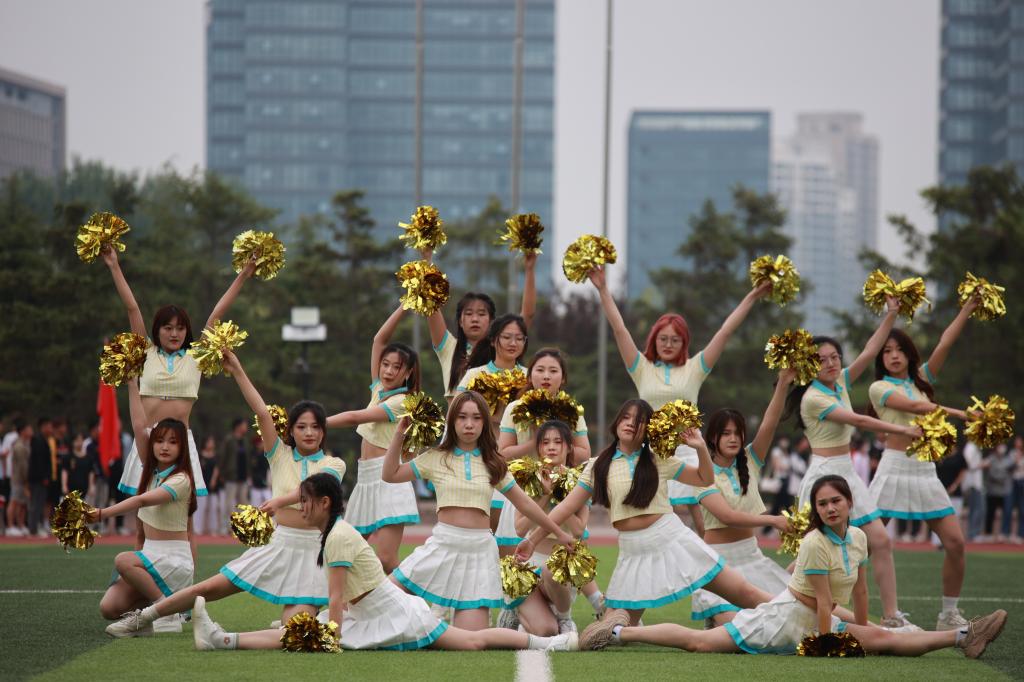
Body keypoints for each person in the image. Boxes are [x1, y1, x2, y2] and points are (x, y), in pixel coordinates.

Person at [579, 475, 1008, 659]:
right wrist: (828, 643)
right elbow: (820, 602)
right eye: (822, 504)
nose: (830, 508)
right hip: (781, 620)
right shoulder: (815, 543)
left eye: (836, 501)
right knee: (700, 643)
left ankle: (964, 636)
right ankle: (617, 632)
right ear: (816, 511)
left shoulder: (859, 538)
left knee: (883, 639)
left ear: (849, 503)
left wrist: (861, 629)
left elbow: (859, 591)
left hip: (813, 621)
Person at [190, 472, 576, 652]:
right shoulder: (333, 532)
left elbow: (336, 600)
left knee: (473, 642)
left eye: (304, 501)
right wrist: (325, 631)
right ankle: (223, 640)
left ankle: (551, 643)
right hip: (369, 613)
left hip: (395, 614)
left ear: (324, 503)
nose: (299, 508)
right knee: (297, 633)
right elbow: (340, 603)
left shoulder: (338, 537)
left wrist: (329, 638)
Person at [104, 350, 346, 637]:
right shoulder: (279, 454)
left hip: (315, 550)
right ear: (290, 431)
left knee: (294, 629)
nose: (309, 433)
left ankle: (230, 637)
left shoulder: (334, 464)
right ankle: (146, 617)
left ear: (323, 432)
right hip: (280, 543)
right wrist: (238, 371)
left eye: (316, 427)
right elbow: (261, 412)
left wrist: (280, 500)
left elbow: (318, 486)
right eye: (301, 426)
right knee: (210, 587)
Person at [519, 400, 772, 627]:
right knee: (613, 631)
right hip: (632, 551)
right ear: (617, 422)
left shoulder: (658, 459)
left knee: (744, 593)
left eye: (639, 420)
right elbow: (564, 507)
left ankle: (790, 612)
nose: (631, 423)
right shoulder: (598, 465)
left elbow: (704, 478)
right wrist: (532, 540)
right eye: (626, 417)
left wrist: (700, 448)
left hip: (671, 538)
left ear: (648, 429)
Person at [587, 265, 771, 534]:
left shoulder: (695, 368)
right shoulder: (641, 367)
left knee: (702, 523)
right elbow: (620, 330)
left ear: (684, 342)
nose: (668, 344)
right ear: (654, 340)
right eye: (663, 338)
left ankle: (710, 561)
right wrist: (603, 289)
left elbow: (724, 333)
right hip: (651, 455)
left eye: (675, 339)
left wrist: (752, 296)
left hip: (689, 451)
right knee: (657, 520)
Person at [782, 297, 924, 629]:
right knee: (812, 552)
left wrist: (891, 314)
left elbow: (870, 350)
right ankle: (782, 597)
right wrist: (902, 429)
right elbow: (858, 420)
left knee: (880, 540)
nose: (831, 363)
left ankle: (891, 616)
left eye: (835, 357)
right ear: (810, 367)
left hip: (847, 474)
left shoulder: (841, 382)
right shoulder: (813, 397)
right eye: (822, 360)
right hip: (823, 475)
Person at [382, 391, 575, 631]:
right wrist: (399, 435)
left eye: (476, 418)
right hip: (442, 546)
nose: (469, 424)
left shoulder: (493, 462)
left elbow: (525, 504)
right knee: (383, 601)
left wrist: (560, 533)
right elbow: (390, 474)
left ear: (484, 422)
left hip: (479, 553)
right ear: (453, 421)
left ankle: (546, 639)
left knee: (471, 640)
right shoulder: (435, 457)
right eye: (462, 417)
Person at [101, 246, 258, 500]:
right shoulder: (145, 352)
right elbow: (132, 308)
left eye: (180, 328)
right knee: (143, 511)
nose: (174, 334)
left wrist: (244, 274)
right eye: (168, 328)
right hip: (147, 440)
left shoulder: (196, 357)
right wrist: (114, 265)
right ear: (157, 329)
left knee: (184, 513)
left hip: (181, 442)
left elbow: (218, 313)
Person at [865, 317, 978, 629]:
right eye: (887, 351)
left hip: (925, 471)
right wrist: (962, 414)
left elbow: (945, 343)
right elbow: (916, 408)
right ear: (880, 358)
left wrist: (967, 308)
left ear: (909, 353)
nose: (894, 355)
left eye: (900, 349)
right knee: (861, 544)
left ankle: (948, 615)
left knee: (955, 542)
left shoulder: (922, 381)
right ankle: (815, 595)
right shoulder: (879, 387)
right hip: (893, 467)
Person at [689, 368, 806, 627]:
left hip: (752, 556)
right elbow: (727, 517)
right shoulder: (702, 473)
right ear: (713, 438)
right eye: (726, 433)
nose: (733, 438)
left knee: (795, 617)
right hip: (718, 564)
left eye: (737, 432)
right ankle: (716, 617)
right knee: (739, 630)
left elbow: (769, 423)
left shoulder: (751, 460)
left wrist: (783, 383)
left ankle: (872, 628)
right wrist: (774, 520)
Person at [90, 378, 197, 631]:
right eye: (159, 440)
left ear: (182, 448)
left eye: (173, 442)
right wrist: (131, 383)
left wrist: (102, 513)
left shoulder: (182, 479)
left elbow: (141, 500)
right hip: (151, 557)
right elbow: (139, 426)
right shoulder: (151, 471)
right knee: (109, 608)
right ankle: (159, 610)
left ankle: (165, 612)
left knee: (123, 560)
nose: (164, 447)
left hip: (173, 561)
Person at [326, 306, 421, 572]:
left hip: (388, 480)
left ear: (408, 373)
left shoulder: (403, 401)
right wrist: (405, 305)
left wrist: (315, 422)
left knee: (387, 560)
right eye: (385, 364)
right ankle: (346, 601)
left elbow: (355, 417)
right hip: (365, 479)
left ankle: (417, 598)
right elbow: (379, 340)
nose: (388, 371)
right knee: (345, 554)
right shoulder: (379, 389)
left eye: (396, 367)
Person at [494, 348, 591, 553]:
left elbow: (585, 453)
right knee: (515, 562)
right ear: (530, 376)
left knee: (561, 557)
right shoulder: (515, 408)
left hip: (563, 490)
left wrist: (559, 446)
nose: (546, 376)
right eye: (540, 370)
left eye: (553, 371)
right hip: (523, 492)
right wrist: (535, 441)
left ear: (563, 378)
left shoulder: (571, 409)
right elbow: (502, 453)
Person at [509, 420, 591, 635]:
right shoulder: (528, 479)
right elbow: (520, 529)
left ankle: (565, 618)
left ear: (570, 447)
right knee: (545, 631)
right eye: (545, 443)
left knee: (551, 570)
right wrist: (545, 494)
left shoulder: (580, 482)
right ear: (539, 448)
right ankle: (521, 615)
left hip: (560, 568)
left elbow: (578, 530)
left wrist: (560, 493)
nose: (551, 447)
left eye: (558, 442)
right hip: (531, 563)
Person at [425, 248, 537, 401]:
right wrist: (427, 261)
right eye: (469, 313)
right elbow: (431, 305)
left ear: (492, 321)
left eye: (482, 314)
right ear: (460, 321)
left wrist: (529, 269)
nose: (475, 319)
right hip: (456, 415)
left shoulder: (500, 349)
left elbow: (527, 315)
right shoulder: (449, 347)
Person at [456, 314, 530, 531]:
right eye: (507, 337)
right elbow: (456, 416)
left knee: (512, 535)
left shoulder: (530, 378)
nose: (513, 343)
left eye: (519, 338)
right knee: (481, 529)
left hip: (519, 464)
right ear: (493, 340)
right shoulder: (474, 375)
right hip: (479, 460)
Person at [216, 418, 250, 529]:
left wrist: (248, 474)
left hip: (243, 476)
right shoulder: (229, 440)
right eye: (244, 425)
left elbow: (247, 459)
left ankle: (242, 526)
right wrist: (221, 473)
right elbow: (222, 457)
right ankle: (226, 527)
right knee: (229, 503)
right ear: (238, 426)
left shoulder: (245, 441)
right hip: (231, 476)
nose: (246, 428)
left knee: (243, 503)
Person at [27, 417, 54, 537]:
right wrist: (44, 477)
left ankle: (35, 526)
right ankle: (33, 529)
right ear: (43, 427)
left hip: (41, 478)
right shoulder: (38, 440)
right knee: (36, 503)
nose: (51, 429)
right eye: (49, 426)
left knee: (40, 502)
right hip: (38, 478)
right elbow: (39, 461)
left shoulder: (43, 440)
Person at [982, 445, 1013, 542]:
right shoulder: (991, 459)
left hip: (1004, 492)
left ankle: (1004, 533)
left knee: (1006, 513)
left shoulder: (1008, 459)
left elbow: (1010, 471)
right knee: (990, 513)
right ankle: (988, 533)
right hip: (992, 492)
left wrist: (1001, 473)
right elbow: (992, 474)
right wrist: (1002, 474)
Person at [6, 419, 32, 536]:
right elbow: (22, 465)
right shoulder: (19, 445)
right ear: (22, 431)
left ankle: (20, 525)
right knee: (14, 501)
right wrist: (26, 480)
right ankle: (10, 526)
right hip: (18, 478)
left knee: (23, 502)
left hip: (24, 478)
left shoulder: (26, 443)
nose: (31, 431)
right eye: (28, 429)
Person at [195, 435, 221, 536]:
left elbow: (217, 468)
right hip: (201, 484)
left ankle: (213, 529)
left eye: (212, 442)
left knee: (213, 507)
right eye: (209, 442)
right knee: (201, 507)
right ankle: (198, 528)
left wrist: (214, 480)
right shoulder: (199, 455)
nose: (211, 444)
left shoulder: (215, 456)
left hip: (213, 485)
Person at [961, 440, 985, 541]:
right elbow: (967, 465)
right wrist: (981, 465)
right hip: (973, 484)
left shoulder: (975, 447)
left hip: (977, 483)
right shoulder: (970, 447)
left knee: (976, 509)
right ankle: (973, 533)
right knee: (976, 509)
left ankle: (973, 532)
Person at [1007, 436, 1024, 544]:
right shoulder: (1012, 453)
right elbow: (1008, 467)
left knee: (1022, 509)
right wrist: (1015, 461)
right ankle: (1008, 533)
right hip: (1013, 482)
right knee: (1009, 508)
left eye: (1019, 442)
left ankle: (1021, 534)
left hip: (1022, 482)